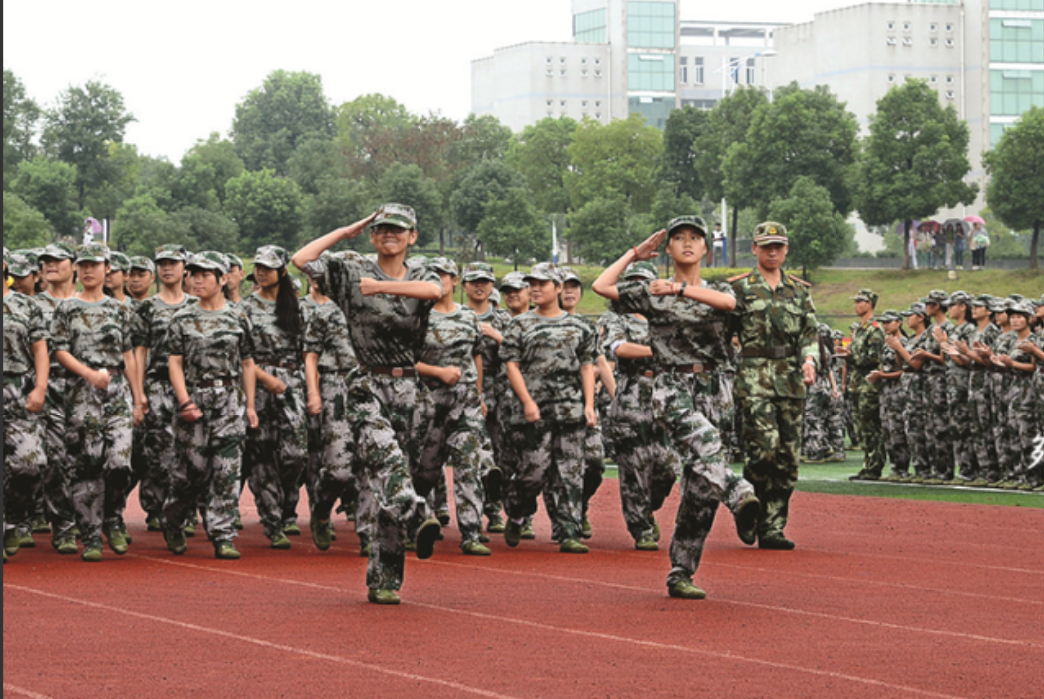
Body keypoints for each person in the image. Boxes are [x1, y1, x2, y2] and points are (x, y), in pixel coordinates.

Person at [593, 216, 761, 600]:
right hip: (671, 386)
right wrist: (635, 254)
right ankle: (739, 493)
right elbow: (601, 286)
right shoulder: (652, 293)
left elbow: (729, 304)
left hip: (715, 385)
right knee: (706, 447)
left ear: (706, 248)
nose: (687, 243)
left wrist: (681, 290)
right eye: (678, 238)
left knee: (701, 488)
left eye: (695, 238)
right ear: (668, 249)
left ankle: (681, 570)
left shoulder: (715, 290)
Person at [293, 203, 443, 606]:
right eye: (380, 230)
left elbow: (435, 291)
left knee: (388, 486)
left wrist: (381, 289)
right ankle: (416, 513)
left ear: (412, 236)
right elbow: (301, 260)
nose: (388, 235)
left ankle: (384, 579)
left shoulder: (423, 273)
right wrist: (345, 231)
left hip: (409, 386)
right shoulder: (350, 270)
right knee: (388, 461)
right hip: (364, 382)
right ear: (372, 236)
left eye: (397, 230)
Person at [51, 244, 146, 561]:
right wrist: (90, 374)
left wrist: (137, 397)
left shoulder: (121, 310)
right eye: (84, 265)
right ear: (77, 269)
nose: (89, 270)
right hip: (81, 394)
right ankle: (91, 535)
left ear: (108, 269)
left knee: (120, 463)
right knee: (87, 466)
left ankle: (113, 516)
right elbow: (60, 351)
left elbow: (128, 354)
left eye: (95, 265)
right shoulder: (66, 309)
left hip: (117, 391)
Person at [728, 222, 818, 550]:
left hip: (792, 378)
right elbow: (724, 331)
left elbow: (810, 332)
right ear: (754, 249)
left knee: (788, 458)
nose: (772, 252)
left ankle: (772, 526)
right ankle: (749, 507)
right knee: (763, 449)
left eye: (778, 246)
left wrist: (810, 360)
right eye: (766, 246)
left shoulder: (800, 290)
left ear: (786, 249)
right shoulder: (738, 289)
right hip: (753, 377)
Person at [163, 252, 258, 559]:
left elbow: (247, 363)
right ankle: (174, 519)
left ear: (222, 279)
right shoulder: (181, 319)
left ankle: (223, 534)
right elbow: (174, 363)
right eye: (193, 274)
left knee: (227, 470)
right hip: (195, 399)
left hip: (229, 400)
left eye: (205, 275)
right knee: (191, 471)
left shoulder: (238, 317)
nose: (197, 280)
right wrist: (184, 400)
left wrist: (251, 406)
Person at [500, 263, 598, 555]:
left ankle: (568, 532)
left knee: (570, 472)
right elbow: (512, 365)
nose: (535, 288)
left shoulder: (580, 326)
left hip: (570, 409)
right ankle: (517, 512)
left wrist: (590, 405)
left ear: (558, 288)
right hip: (533, 412)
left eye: (543, 283)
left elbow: (587, 365)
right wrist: (528, 402)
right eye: (532, 283)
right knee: (534, 472)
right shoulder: (520, 324)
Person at [414, 257, 501, 557]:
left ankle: (471, 532)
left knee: (468, 466)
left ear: (454, 281)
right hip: (428, 400)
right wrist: (437, 372)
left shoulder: (468, 317)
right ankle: (418, 519)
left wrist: (478, 394)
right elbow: (407, 361)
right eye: (432, 276)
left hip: (465, 402)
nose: (439, 281)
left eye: (444, 275)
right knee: (425, 470)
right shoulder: (417, 317)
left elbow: (476, 355)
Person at [602, 261, 681, 551]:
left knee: (668, 466)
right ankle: (641, 527)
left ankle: (648, 506)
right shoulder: (616, 316)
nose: (637, 288)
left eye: (642, 282)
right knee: (633, 465)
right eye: (631, 282)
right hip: (632, 392)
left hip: (665, 392)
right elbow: (618, 348)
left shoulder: (666, 314)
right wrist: (658, 351)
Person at [240, 246, 309, 549]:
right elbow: (240, 355)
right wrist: (265, 379)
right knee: (262, 454)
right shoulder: (244, 308)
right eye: (258, 267)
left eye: (268, 267)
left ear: (282, 271)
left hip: (293, 384)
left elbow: (310, 352)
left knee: (296, 454)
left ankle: (287, 506)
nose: (261, 272)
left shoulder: (298, 308)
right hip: (257, 382)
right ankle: (272, 521)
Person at [133, 245, 195, 533]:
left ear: (185, 267)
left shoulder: (196, 305)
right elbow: (140, 350)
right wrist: (140, 390)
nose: (167, 268)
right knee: (158, 451)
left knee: (191, 450)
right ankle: (156, 507)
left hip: (190, 385)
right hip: (157, 383)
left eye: (173, 263)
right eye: (162, 264)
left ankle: (185, 509)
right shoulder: (148, 307)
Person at [302, 275, 361, 553]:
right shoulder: (323, 313)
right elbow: (310, 355)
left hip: (371, 385)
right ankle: (322, 508)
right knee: (339, 470)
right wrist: (313, 393)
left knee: (372, 461)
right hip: (335, 386)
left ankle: (371, 533)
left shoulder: (373, 307)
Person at [558, 266, 613, 540]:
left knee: (594, 462)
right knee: (551, 469)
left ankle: (579, 507)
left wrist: (616, 399)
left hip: (584, 406)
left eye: (574, 286)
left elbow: (600, 362)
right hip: (551, 407)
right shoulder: (539, 323)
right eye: (564, 286)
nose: (569, 292)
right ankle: (562, 519)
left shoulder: (588, 327)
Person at [3, 248, 50, 564]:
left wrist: (40, 386)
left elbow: (40, 348)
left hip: (19, 389)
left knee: (29, 464)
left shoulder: (24, 306)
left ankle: (16, 516)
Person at [34, 242, 80, 554]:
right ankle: (63, 526)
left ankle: (93, 518)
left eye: (57, 260)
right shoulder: (30, 306)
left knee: (89, 461)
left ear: (73, 266)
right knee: (54, 462)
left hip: (86, 390)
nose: (51, 266)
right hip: (47, 390)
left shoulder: (89, 303)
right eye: (46, 261)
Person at [461, 262, 512, 535]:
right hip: (469, 388)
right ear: (464, 285)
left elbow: (521, 350)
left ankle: (495, 510)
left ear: (492, 286)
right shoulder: (457, 316)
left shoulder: (504, 319)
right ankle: (475, 514)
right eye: (474, 281)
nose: (479, 286)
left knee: (501, 453)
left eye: (485, 281)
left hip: (501, 389)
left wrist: (496, 335)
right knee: (475, 453)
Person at [838, 289, 885, 480]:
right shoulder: (859, 329)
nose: (857, 305)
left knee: (871, 426)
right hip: (857, 383)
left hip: (869, 384)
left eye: (861, 301)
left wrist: (850, 356)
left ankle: (875, 466)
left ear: (870, 304)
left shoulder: (875, 329)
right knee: (861, 427)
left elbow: (873, 358)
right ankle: (868, 465)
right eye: (856, 301)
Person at [868, 311, 911, 480]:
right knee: (887, 430)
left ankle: (902, 468)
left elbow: (904, 370)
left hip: (898, 391)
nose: (885, 325)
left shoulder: (903, 342)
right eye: (883, 322)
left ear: (899, 322)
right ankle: (894, 467)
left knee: (898, 430)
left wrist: (882, 375)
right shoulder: (887, 343)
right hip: (886, 392)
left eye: (889, 322)